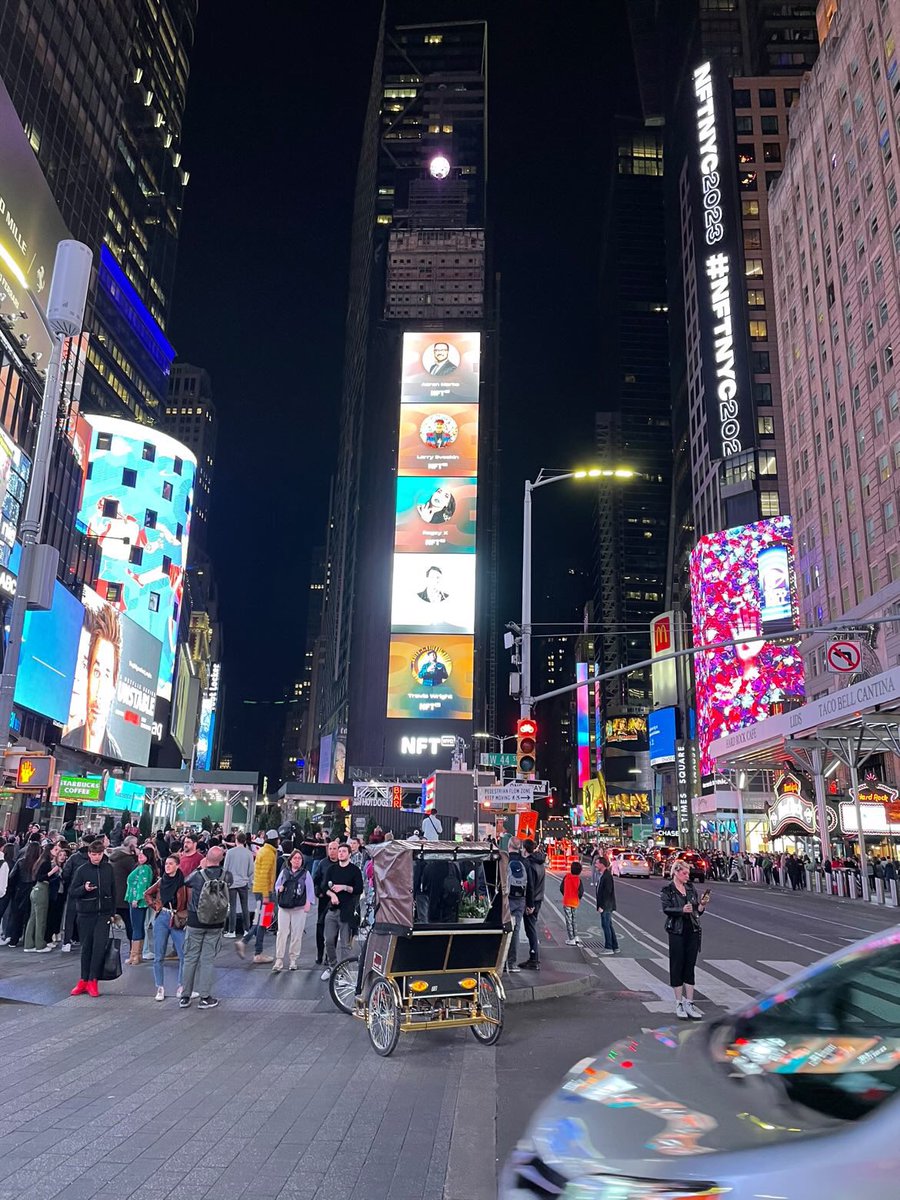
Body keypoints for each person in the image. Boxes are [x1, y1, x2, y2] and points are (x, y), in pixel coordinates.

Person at [60, 605, 123, 758]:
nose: (100, 691)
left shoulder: (116, 756)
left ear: (114, 687)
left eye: (107, 676)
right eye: (96, 672)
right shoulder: (67, 740)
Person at [179, 846, 232, 1009]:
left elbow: (185, 881)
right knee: (207, 960)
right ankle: (205, 997)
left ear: (206, 858)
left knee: (190, 958)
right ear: (221, 859)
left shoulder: (197, 875)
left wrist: (200, 867)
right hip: (216, 922)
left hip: (195, 920)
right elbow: (231, 884)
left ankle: (185, 996)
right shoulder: (226, 875)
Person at [661, 859, 709, 1020]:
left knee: (690, 966)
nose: (687, 876)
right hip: (676, 930)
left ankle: (689, 1001)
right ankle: (678, 1002)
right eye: (684, 873)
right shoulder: (668, 889)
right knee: (677, 965)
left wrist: (701, 905)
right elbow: (666, 908)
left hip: (692, 930)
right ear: (676, 872)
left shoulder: (690, 888)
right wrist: (681, 910)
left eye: (688, 873)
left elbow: (697, 911)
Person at [68, 840, 116, 997]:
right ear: (89, 854)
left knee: (99, 947)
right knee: (87, 947)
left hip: (104, 914)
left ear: (103, 854)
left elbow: (113, 890)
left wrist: (112, 913)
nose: (96, 858)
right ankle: (83, 979)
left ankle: (93, 980)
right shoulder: (82, 870)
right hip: (86, 914)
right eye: (94, 854)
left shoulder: (108, 869)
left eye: (99, 854)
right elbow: (72, 891)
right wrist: (84, 889)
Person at [144, 855, 189, 1001]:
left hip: (177, 918)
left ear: (177, 865)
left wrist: (186, 914)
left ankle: (181, 985)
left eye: (170, 864)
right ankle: (160, 987)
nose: (167, 866)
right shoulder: (162, 881)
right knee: (159, 954)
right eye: (166, 864)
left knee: (183, 954)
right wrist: (155, 906)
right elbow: (147, 894)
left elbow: (188, 901)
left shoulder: (183, 882)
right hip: (162, 917)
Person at [318, 841, 363, 980]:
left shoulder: (354, 870)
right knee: (329, 941)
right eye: (339, 851)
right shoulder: (332, 870)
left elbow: (359, 889)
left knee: (345, 945)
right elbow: (324, 886)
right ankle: (333, 966)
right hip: (332, 910)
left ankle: (343, 972)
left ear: (349, 854)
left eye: (344, 851)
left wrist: (344, 887)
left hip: (347, 911)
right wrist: (332, 895)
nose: (341, 853)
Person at [236, 828, 278, 965]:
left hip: (260, 890)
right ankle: (252, 948)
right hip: (264, 892)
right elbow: (265, 874)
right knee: (263, 921)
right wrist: (266, 895)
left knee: (263, 921)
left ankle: (253, 948)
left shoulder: (265, 851)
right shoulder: (269, 854)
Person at [272, 849, 314, 972]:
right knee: (282, 933)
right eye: (295, 858)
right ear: (290, 860)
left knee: (297, 934)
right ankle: (279, 959)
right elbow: (277, 885)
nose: (297, 860)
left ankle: (293, 959)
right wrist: (279, 889)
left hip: (299, 907)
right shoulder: (284, 872)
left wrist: (308, 903)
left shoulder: (306, 874)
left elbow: (310, 890)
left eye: (299, 858)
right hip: (284, 907)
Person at [0, 840, 41, 947]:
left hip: (19, 890)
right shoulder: (39, 863)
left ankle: (14, 938)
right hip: (34, 889)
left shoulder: (21, 861)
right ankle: (28, 938)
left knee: (16, 915)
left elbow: (12, 876)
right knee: (30, 915)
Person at [23, 844, 59, 953]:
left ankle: (29, 944)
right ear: (50, 851)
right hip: (42, 889)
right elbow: (41, 876)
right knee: (41, 919)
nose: (57, 852)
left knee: (33, 918)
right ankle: (40, 944)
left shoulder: (40, 861)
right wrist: (52, 872)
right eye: (56, 849)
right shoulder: (46, 862)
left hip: (36, 889)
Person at [124, 847, 156, 965]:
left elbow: (142, 885)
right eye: (140, 855)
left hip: (137, 900)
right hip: (136, 899)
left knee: (136, 927)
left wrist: (137, 899)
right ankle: (137, 955)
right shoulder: (144, 868)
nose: (140, 857)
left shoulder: (144, 868)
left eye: (143, 855)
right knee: (139, 926)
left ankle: (135, 955)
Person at [311, 839, 340, 965]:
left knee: (333, 928)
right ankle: (320, 953)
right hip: (324, 899)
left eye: (335, 849)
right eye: (330, 849)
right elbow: (316, 879)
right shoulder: (322, 863)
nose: (332, 851)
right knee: (320, 926)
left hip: (337, 901)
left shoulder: (341, 864)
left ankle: (330, 956)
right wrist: (318, 892)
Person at [505, 838, 531, 973]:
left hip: (506, 899)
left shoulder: (504, 860)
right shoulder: (524, 862)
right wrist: (530, 904)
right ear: (520, 847)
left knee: (504, 929)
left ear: (509, 846)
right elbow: (530, 883)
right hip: (520, 900)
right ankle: (512, 963)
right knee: (516, 930)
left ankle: (502, 963)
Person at [519, 839, 546, 971]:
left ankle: (534, 958)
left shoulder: (529, 863)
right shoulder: (540, 862)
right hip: (539, 898)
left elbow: (530, 885)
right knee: (532, 927)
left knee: (530, 929)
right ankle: (533, 957)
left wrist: (529, 904)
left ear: (525, 849)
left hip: (532, 900)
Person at [223, 830, 254, 938]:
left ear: (236, 840)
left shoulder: (230, 852)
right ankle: (247, 929)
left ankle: (232, 931)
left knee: (232, 907)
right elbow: (251, 869)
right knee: (245, 906)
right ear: (245, 841)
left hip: (231, 883)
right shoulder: (249, 853)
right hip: (243, 882)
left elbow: (225, 868)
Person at [108, 836, 137, 940]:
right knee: (131, 925)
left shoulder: (114, 856)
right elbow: (136, 874)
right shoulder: (127, 860)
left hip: (113, 895)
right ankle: (133, 950)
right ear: (131, 846)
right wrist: (137, 856)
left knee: (107, 924)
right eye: (136, 844)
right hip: (124, 896)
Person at [593, 856, 620, 955]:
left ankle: (609, 947)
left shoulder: (607, 876)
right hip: (606, 904)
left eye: (597, 863)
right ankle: (615, 946)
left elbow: (607, 892)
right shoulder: (603, 875)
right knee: (609, 925)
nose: (595, 865)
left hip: (606, 905)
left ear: (602, 864)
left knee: (606, 925)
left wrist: (602, 906)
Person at [560, 859, 584, 946]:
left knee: (568, 920)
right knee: (574, 919)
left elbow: (561, 888)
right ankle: (576, 936)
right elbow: (581, 891)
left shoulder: (566, 877)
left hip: (567, 901)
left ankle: (571, 938)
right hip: (575, 901)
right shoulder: (578, 880)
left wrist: (565, 894)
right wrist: (578, 897)